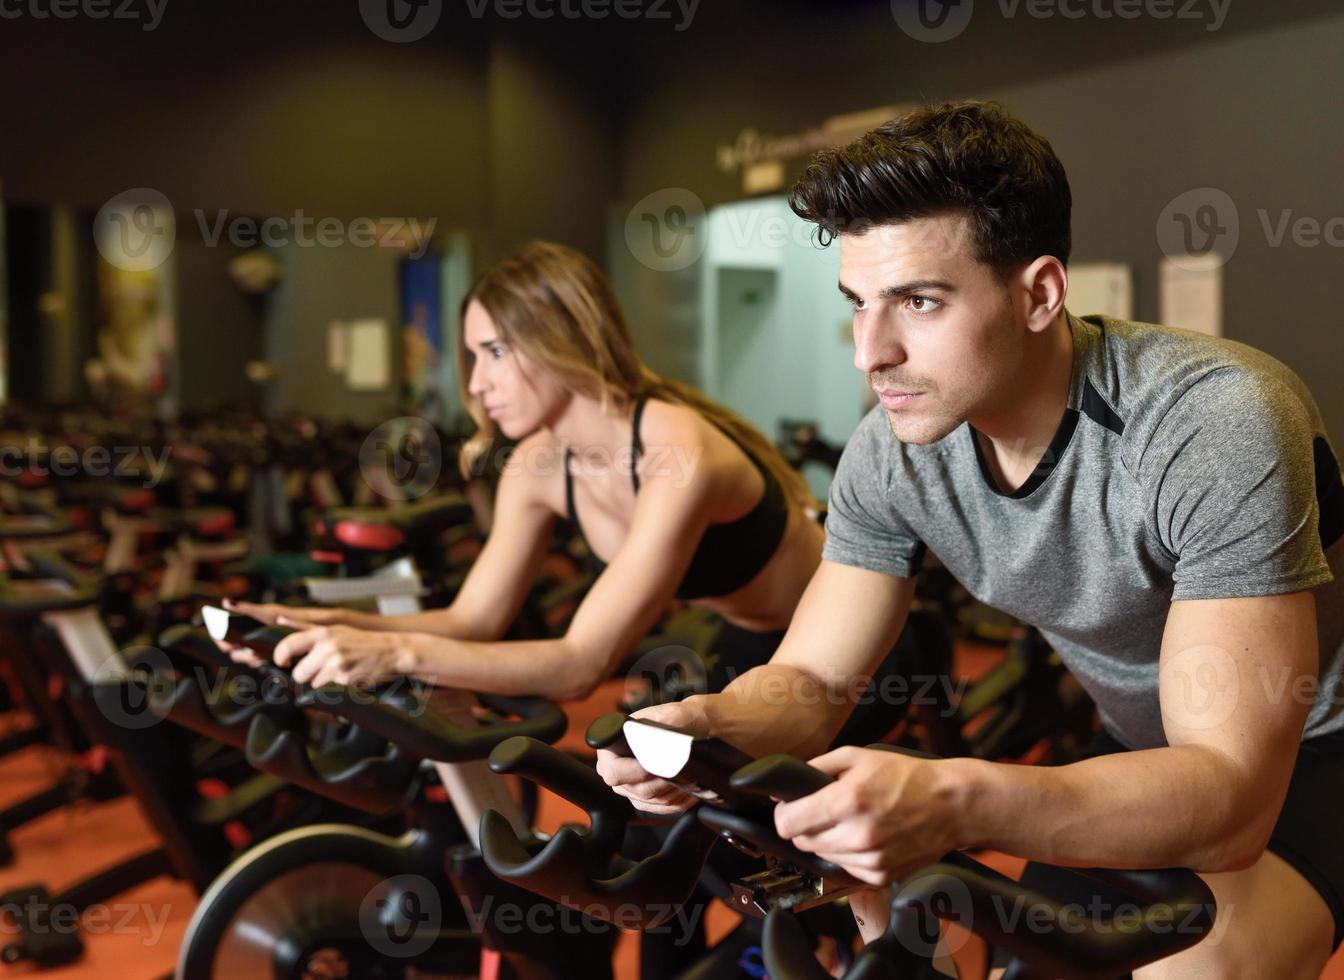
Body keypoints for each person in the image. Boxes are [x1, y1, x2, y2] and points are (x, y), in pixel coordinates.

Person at [597, 101, 1344, 977]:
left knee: (1189, 971)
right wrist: (716, 725)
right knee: (1023, 961)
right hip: (1157, 744)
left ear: (1039, 293)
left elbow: (1228, 800)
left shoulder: (1212, 419)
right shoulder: (890, 452)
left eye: (917, 302)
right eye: (858, 304)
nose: (869, 352)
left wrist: (956, 795)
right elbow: (813, 678)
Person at [220, 239, 918, 975]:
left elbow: (578, 664)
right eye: (471, 356)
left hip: (849, 658)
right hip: (742, 650)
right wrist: (324, 628)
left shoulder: (674, 448)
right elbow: (471, 620)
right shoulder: (536, 463)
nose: (476, 383)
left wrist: (390, 652)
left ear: (561, 336)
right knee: (655, 848)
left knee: (708, 839)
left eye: (494, 351)